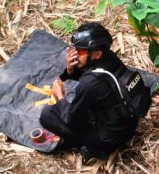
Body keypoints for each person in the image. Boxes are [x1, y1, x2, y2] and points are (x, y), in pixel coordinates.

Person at [39, 23, 139, 158]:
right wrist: (70, 70)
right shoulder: (110, 58)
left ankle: (94, 149)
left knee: (47, 114)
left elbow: (70, 120)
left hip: (108, 138)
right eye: (74, 49)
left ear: (96, 54)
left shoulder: (89, 84)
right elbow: (99, 81)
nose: (74, 54)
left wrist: (60, 96)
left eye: (80, 51)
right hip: (128, 124)